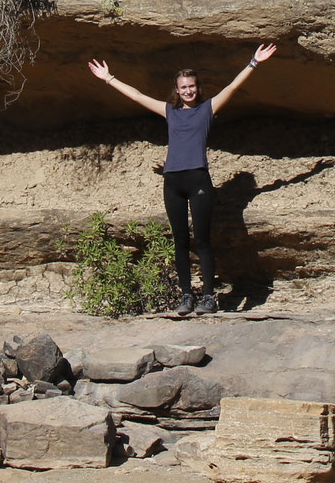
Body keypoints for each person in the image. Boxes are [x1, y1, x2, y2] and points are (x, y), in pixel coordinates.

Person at [88, 44, 278, 314]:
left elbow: (232, 87)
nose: (188, 90)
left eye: (192, 86)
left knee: (202, 240)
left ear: (197, 88)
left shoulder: (207, 110)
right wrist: (109, 78)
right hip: (173, 182)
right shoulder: (170, 112)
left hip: (198, 179)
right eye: (183, 87)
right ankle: (186, 296)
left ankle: (209, 298)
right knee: (180, 241)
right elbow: (138, 95)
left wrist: (254, 63)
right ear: (177, 90)